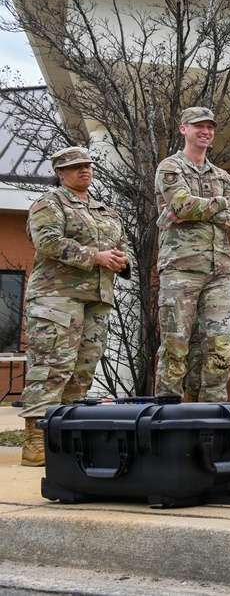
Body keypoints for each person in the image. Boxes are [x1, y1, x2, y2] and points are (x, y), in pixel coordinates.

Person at [18, 147, 130, 467]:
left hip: (96, 299)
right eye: (75, 166)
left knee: (82, 372)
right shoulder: (49, 204)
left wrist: (122, 262)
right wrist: (95, 257)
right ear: (61, 173)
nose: (84, 170)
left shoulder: (106, 211)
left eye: (87, 165)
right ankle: (35, 438)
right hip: (57, 297)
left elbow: (117, 250)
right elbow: (47, 241)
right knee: (52, 367)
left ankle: (62, 435)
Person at [154, 107, 230, 401]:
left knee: (220, 345)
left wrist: (199, 209)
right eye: (198, 126)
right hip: (181, 268)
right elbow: (181, 206)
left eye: (210, 127)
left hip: (219, 272)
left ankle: (212, 412)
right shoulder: (170, 168)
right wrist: (218, 204)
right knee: (176, 343)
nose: (205, 131)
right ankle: (166, 413)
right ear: (184, 129)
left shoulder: (222, 175)